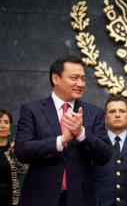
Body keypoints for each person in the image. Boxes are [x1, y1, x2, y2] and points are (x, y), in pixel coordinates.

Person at [15, 55, 112, 206]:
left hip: (80, 199)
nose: (81, 84)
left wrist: (81, 134)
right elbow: (22, 151)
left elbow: (105, 155)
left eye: (83, 79)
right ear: (55, 78)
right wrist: (60, 141)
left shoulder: (94, 113)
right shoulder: (32, 110)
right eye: (74, 78)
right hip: (40, 198)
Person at [93, 96, 127, 206]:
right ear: (105, 118)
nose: (117, 115)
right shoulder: (95, 144)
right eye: (112, 111)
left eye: (122, 111)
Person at [0, 109, 28, 206]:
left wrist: (16, 150)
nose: (3, 125)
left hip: (12, 200)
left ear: (9, 127)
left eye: (6, 122)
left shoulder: (14, 149)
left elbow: (23, 170)